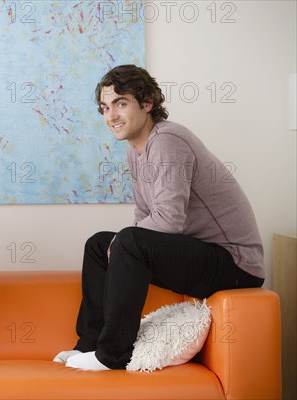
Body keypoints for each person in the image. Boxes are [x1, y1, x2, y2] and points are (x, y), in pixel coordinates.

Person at [53, 64, 264, 371]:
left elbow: (168, 222)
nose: (110, 116)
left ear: (147, 103)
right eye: (104, 107)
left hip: (236, 263)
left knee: (126, 239)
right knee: (99, 245)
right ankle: (90, 344)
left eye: (120, 104)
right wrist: (120, 245)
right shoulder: (135, 151)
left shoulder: (167, 140)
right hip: (199, 255)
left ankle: (111, 355)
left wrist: (125, 243)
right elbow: (145, 214)